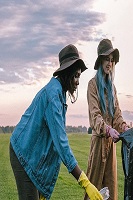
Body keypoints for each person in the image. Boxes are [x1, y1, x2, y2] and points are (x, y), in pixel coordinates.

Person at [9, 44, 102, 200]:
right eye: (76, 76)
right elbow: (61, 143)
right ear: (66, 73)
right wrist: (85, 182)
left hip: (32, 154)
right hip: (23, 153)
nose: (78, 81)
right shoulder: (53, 96)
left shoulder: (59, 93)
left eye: (79, 76)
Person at [84, 39, 129, 200]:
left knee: (111, 190)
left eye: (112, 60)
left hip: (111, 147)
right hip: (98, 145)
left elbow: (117, 114)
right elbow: (95, 116)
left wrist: (123, 127)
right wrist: (108, 129)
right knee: (93, 189)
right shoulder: (92, 85)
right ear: (100, 61)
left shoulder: (112, 88)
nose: (109, 63)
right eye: (106, 59)